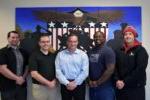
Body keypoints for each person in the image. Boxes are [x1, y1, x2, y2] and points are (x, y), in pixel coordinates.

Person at [114, 25, 149, 100]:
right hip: (121, 88)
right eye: (126, 34)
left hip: (135, 89)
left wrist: (125, 81)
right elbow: (115, 67)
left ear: (134, 36)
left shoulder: (141, 50)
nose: (127, 36)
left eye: (130, 34)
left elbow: (140, 69)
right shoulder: (119, 51)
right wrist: (117, 80)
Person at [55, 34, 89, 100]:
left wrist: (75, 83)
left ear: (77, 42)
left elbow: (85, 72)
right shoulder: (60, 55)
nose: (72, 43)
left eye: (74, 41)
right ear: (67, 42)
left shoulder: (83, 55)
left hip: (79, 85)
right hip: (65, 85)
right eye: (70, 41)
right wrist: (67, 83)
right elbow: (58, 71)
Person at [0, 31, 28, 100]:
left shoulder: (24, 51)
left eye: (17, 37)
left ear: (19, 39)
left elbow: (27, 67)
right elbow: (2, 69)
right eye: (13, 37)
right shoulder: (2, 51)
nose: (15, 39)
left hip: (22, 86)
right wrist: (17, 78)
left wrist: (23, 78)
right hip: (7, 87)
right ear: (8, 38)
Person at [28, 34, 57, 100]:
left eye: (47, 41)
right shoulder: (34, 55)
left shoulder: (53, 55)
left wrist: (54, 81)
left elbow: (57, 70)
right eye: (43, 42)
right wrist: (48, 83)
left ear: (50, 42)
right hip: (40, 88)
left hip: (52, 86)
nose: (45, 44)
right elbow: (34, 74)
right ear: (39, 43)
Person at [88, 31, 116, 100]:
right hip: (93, 87)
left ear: (104, 38)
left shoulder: (108, 51)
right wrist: (89, 81)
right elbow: (87, 68)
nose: (97, 38)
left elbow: (110, 69)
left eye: (100, 36)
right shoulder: (90, 51)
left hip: (105, 88)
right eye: (95, 37)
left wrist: (98, 82)